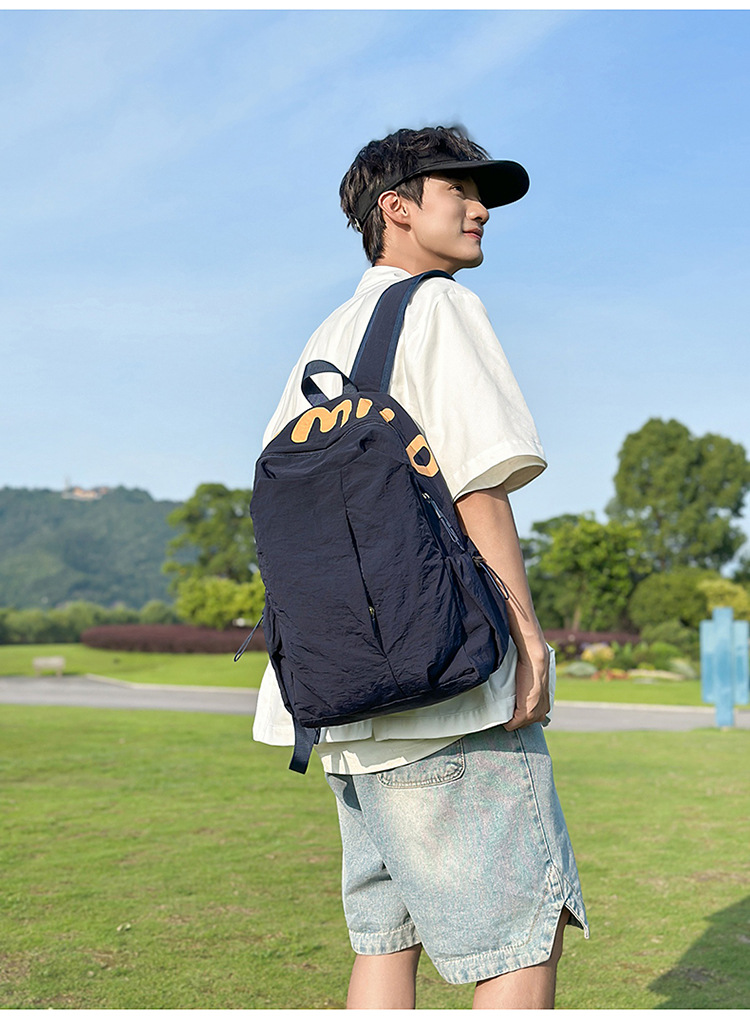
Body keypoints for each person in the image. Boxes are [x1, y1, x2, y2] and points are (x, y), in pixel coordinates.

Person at [252, 125, 588, 1009]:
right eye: (459, 191)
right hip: (445, 690)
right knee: (522, 938)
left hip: (337, 698)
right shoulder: (440, 306)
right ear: (396, 209)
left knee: (385, 941)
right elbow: (477, 486)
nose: (481, 210)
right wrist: (526, 637)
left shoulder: (323, 337)